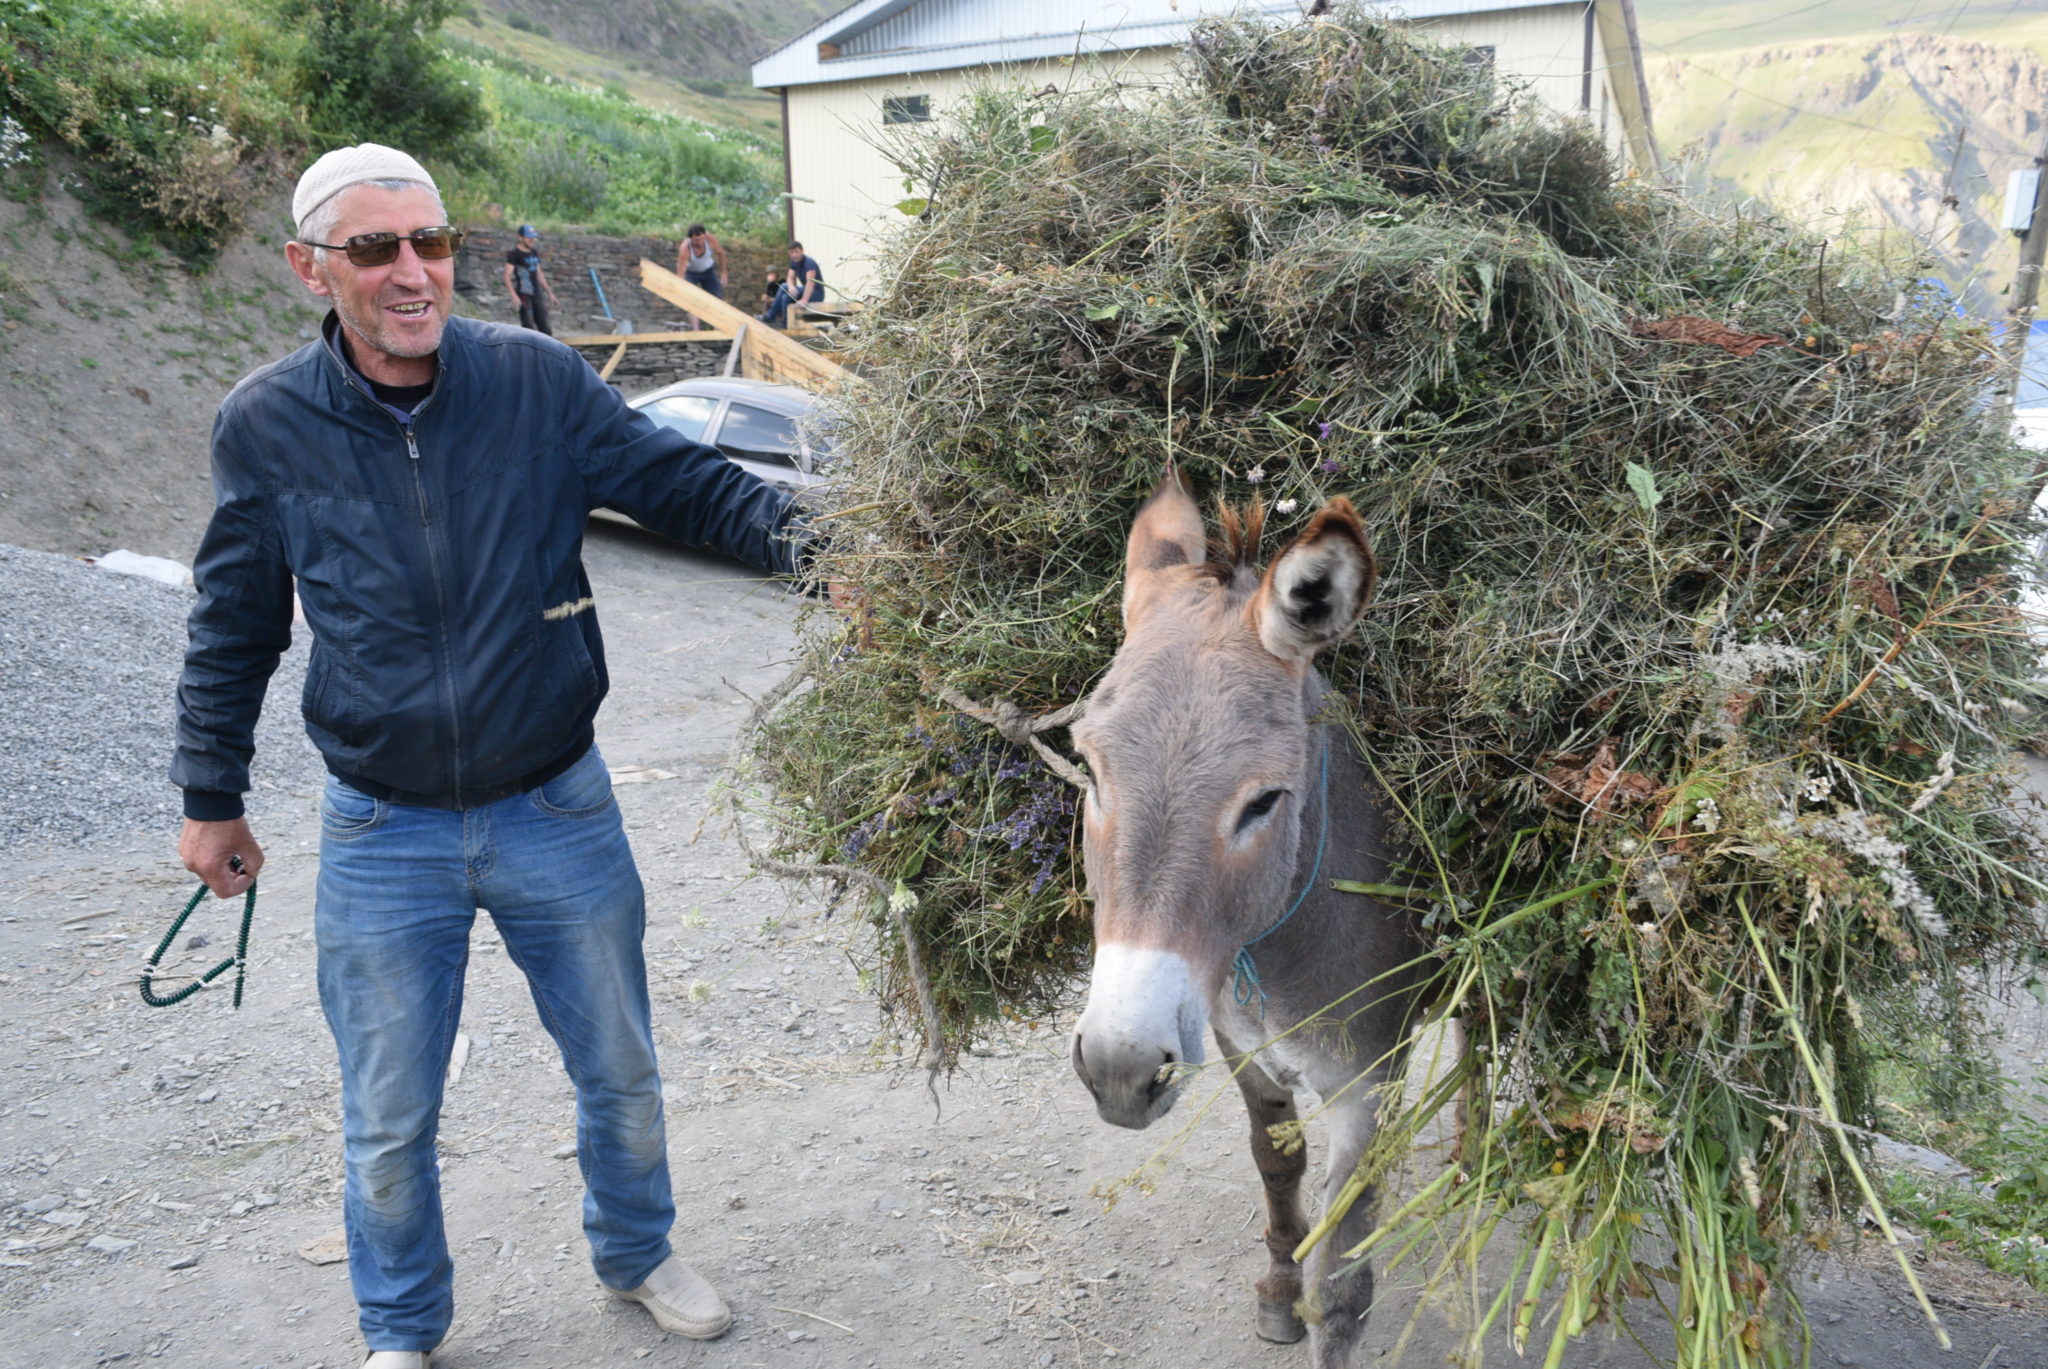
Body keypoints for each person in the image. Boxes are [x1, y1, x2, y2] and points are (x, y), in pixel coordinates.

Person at [171, 143, 815, 1369]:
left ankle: (636, 1251)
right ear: (312, 267)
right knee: (386, 1118)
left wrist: (835, 558)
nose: (415, 271)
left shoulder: (535, 382)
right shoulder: (265, 425)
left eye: (434, 241)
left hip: (555, 805)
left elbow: (691, 490)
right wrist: (211, 795)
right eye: (376, 248)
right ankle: (402, 1330)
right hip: (380, 829)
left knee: (619, 1066)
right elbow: (234, 621)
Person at [502, 223, 558, 336]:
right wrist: (513, 295)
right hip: (524, 294)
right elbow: (507, 276)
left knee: (545, 327)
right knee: (528, 327)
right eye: (528, 237)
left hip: (536, 293)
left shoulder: (534, 252)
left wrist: (550, 293)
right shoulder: (514, 254)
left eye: (533, 237)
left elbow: (539, 273)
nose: (532, 240)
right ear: (520, 237)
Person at [759, 241, 824, 328]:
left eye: (796, 252)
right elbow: (790, 278)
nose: (794, 255)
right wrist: (791, 287)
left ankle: (771, 315)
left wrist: (804, 300)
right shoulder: (794, 263)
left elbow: (810, 282)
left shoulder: (809, 263)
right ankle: (786, 326)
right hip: (805, 290)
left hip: (816, 293)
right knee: (785, 297)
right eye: (791, 252)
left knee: (783, 286)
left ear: (802, 251)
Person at [674, 222, 726, 330]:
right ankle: (696, 331)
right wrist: (680, 288)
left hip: (708, 271)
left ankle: (718, 329)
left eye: (701, 239)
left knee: (717, 298)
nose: (700, 243)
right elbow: (681, 271)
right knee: (691, 299)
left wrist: (723, 273)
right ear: (690, 238)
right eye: (696, 240)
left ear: (704, 235)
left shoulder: (710, 240)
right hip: (691, 273)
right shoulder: (685, 248)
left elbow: (721, 254)